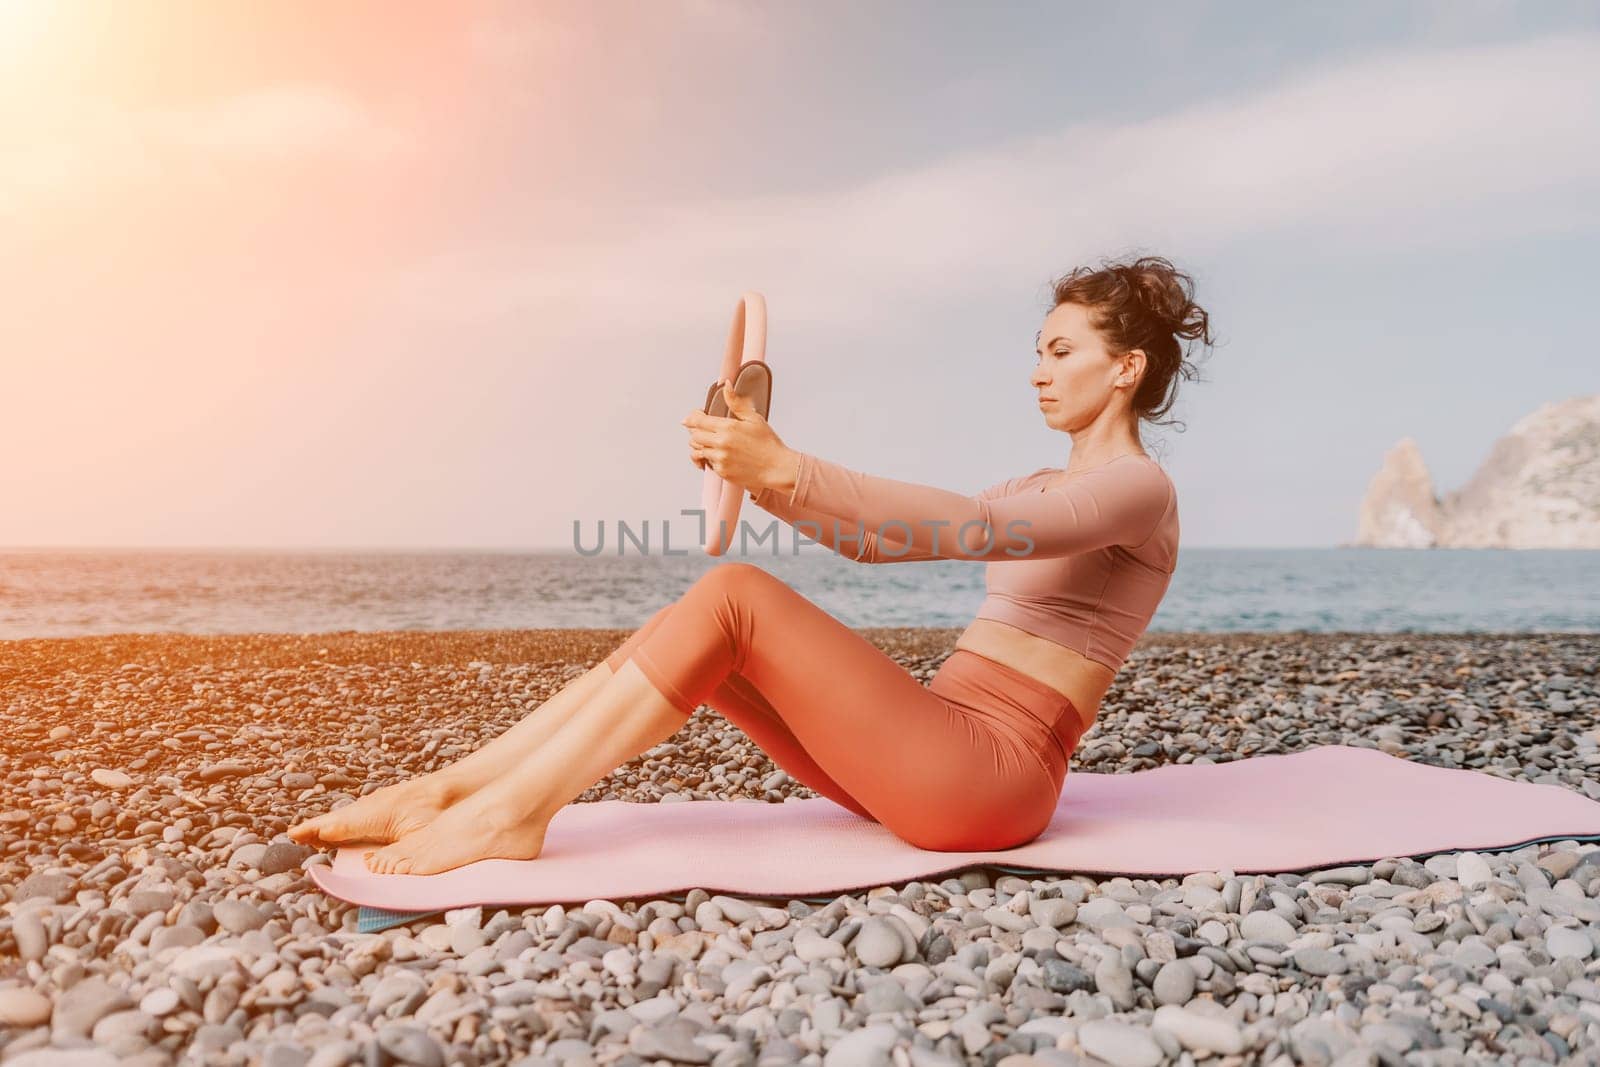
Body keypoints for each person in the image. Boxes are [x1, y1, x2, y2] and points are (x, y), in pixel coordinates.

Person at [288, 255, 1214, 875]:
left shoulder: (1139, 491)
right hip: (927, 756)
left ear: (1126, 368)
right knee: (694, 626)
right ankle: (453, 789)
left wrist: (790, 468)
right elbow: (874, 538)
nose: (1038, 371)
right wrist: (763, 476)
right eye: (1037, 353)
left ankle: (512, 815)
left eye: (1060, 352)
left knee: (734, 594)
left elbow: (973, 530)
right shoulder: (1040, 480)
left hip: (991, 779)